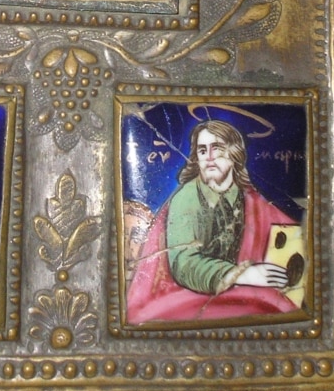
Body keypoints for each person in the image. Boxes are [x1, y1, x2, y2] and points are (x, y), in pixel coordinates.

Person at [125, 119, 299, 324]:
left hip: (237, 291)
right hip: (184, 296)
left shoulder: (250, 198)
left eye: (216, 148)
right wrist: (241, 275)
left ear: (234, 154)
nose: (208, 157)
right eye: (202, 151)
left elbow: (288, 230)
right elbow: (184, 264)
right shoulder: (187, 198)